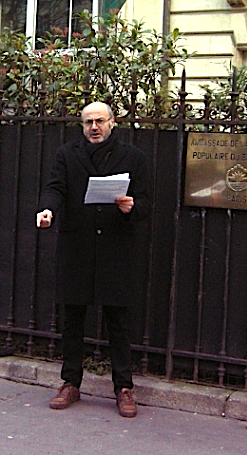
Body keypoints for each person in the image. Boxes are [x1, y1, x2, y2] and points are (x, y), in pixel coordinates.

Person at [36, 101, 150, 417]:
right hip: (77, 247)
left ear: (113, 123)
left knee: (119, 321)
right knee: (72, 320)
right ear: (82, 126)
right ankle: (70, 383)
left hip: (115, 248)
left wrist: (131, 208)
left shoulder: (133, 158)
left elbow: (145, 204)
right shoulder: (67, 155)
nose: (94, 127)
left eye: (100, 121)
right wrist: (48, 210)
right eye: (88, 122)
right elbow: (55, 188)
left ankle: (123, 388)